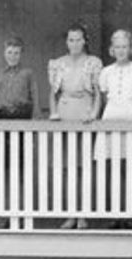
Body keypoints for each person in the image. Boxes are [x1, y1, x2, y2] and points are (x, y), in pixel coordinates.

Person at [48, 23, 102, 230]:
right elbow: (53, 93)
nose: (74, 43)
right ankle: (71, 213)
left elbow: (98, 93)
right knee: (67, 167)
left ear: (85, 40)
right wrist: (54, 113)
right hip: (65, 111)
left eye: (78, 39)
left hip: (85, 111)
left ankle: (83, 214)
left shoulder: (93, 62)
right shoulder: (58, 63)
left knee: (84, 167)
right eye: (71, 40)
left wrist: (94, 113)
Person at [96, 29, 132, 227]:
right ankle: (115, 215)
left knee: (131, 168)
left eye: (124, 46)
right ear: (111, 50)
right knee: (111, 169)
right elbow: (105, 97)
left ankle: (130, 216)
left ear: (130, 48)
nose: (121, 50)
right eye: (117, 47)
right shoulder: (106, 72)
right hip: (111, 118)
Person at [0, 36, 40, 119]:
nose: (12, 57)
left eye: (16, 53)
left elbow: (35, 96)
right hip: (0, 115)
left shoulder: (28, 73)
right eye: (9, 52)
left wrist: (36, 117)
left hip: (22, 115)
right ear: (4, 53)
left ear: (21, 54)